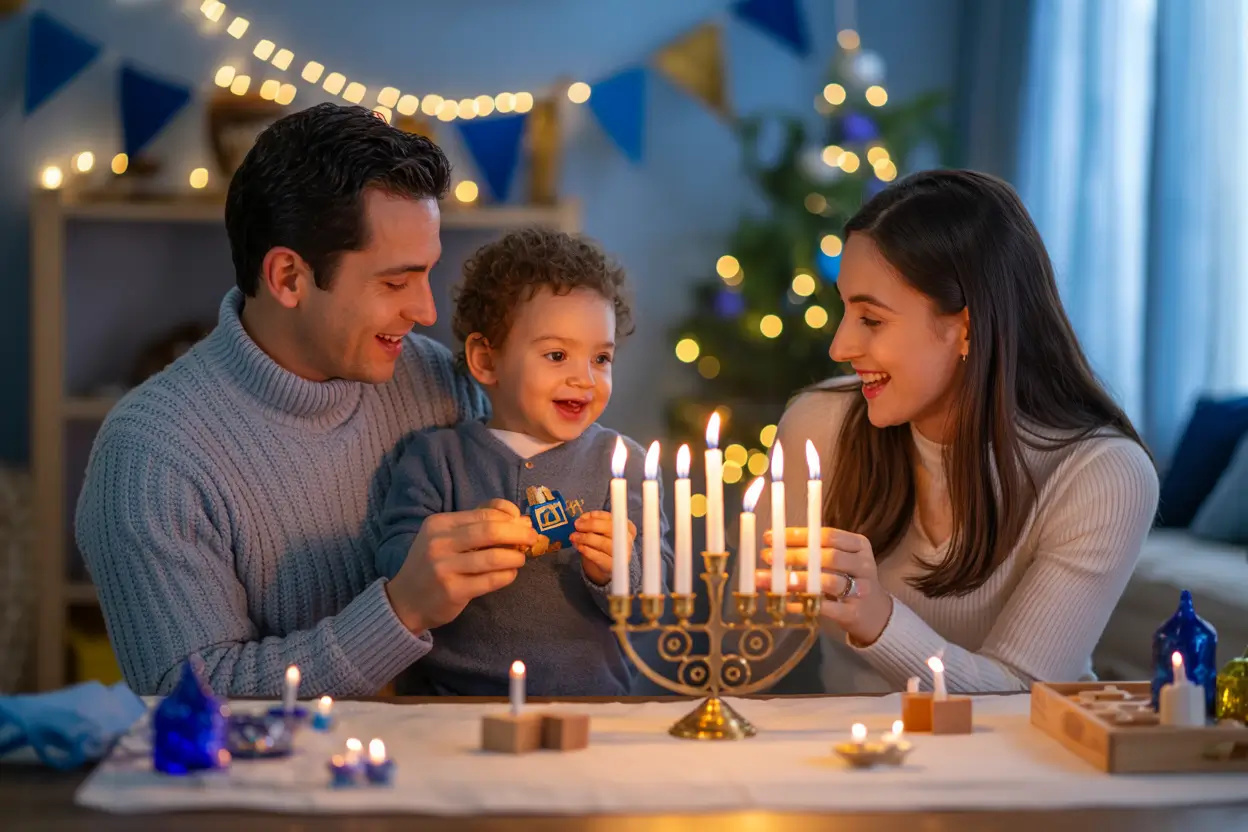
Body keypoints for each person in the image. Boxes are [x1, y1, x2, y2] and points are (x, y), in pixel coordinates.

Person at [75, 103, 539, 697]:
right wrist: (399, 611)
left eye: (427, 275)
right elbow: (189, 699)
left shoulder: (437, 382)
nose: (426, 312)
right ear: (288, 277)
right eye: (395, 282)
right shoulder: (150, 456)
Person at [755, 169, 1159, 694]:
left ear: (965, 327)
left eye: (871, 320)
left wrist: (876, 617)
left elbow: (1019, 696)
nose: (839, 347)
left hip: (1022, 765)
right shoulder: (818, 426)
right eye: (844, 310)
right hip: (852, 761)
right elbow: (751, 643)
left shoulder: (1104, 476)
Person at [377, 228, 671, 696]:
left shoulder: (624, 465)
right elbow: (392, 566)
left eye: (601, 358)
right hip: (452, 706)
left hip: (592, 705)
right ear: (486, 361)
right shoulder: (435, 458)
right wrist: (456, 545)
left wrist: (617, 571)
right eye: (557, 355)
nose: (585, 378)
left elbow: (654, 602)